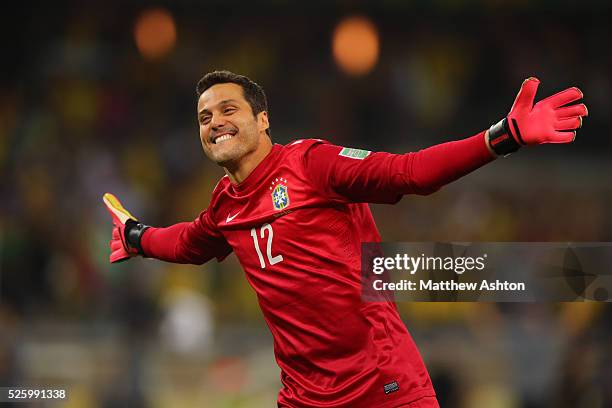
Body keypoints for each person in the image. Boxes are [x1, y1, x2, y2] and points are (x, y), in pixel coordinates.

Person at [103, 70, 587, 407]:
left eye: (228, 109)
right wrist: (137, 235)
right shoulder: (225, 203)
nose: (214, 122)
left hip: (383, 386)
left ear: (262, 119)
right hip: (304, 398)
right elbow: (190, 242)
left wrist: (501, 137)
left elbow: (408, 172)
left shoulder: (312, 165)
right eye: (205, 117)